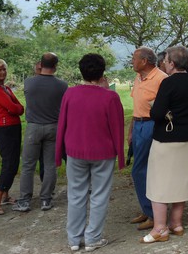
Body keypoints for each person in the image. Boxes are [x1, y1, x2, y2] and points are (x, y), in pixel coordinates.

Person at [55, 53, 125, 252]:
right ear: (103, 73)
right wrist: (120, 156)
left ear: (81, 71)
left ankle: (74, 240)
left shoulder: (70, 93)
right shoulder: (111, 97)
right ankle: (93, 237)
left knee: (76, 194)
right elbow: (117, 127)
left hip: (75, 151)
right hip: (103, 152)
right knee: (100, 195)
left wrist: (59, 150)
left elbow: (62, 124)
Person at [143, 46, 188, 243]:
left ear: (172, 63)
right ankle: (176, 223)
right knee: (181, 181)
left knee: (157, 183)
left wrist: (155, 110)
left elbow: (157, 113)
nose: (164, 63)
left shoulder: (168, 83)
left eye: (166, 60)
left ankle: (160, 228)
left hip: (168, 139)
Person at [14, 53, 68, 213]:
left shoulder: (29, 82)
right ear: (56, 66)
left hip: (34, 127)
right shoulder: (62, 85)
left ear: (40, 65)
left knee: (28, 165)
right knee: (50, 164)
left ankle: (24, 201)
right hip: (54, 127)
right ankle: (46, 199)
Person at [127, 47, 167, 231]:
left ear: (144, 61)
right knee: (142, 169)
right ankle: (147, 209)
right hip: (138, 124)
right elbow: (137, 105)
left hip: (151, 125)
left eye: (134, 58)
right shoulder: (138, 77)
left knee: (141, 170)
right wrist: (131, 131)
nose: (132, 61)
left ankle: (153, 213)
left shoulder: (161, 79)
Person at [0, 59, 25, 216]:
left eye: (3, 69)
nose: (2, 73)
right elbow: (13, 107)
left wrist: (15, 109)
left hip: (13, 127)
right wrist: (14, 109)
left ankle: (5, 195)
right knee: (9, 164)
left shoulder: (7, 89)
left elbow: (20, 108)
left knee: (14, 162)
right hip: (4, 129)